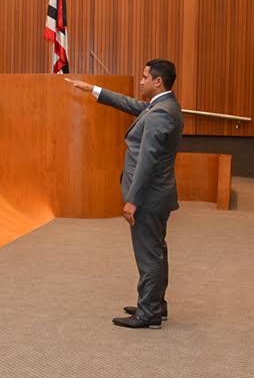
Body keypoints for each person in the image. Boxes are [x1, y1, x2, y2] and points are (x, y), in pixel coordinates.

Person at [66, 59, 184, 329]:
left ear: (158, 82)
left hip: (148, 197)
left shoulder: (160, 114)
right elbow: (131, 105)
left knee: (149, 255)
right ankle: (155, 304)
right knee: (156, 251)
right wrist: (93, 89)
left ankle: (149, 313)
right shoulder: (163, 106)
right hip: (157, 195)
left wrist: (132, 199)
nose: (140, 81)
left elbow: (147, 161)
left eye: (144, 77)